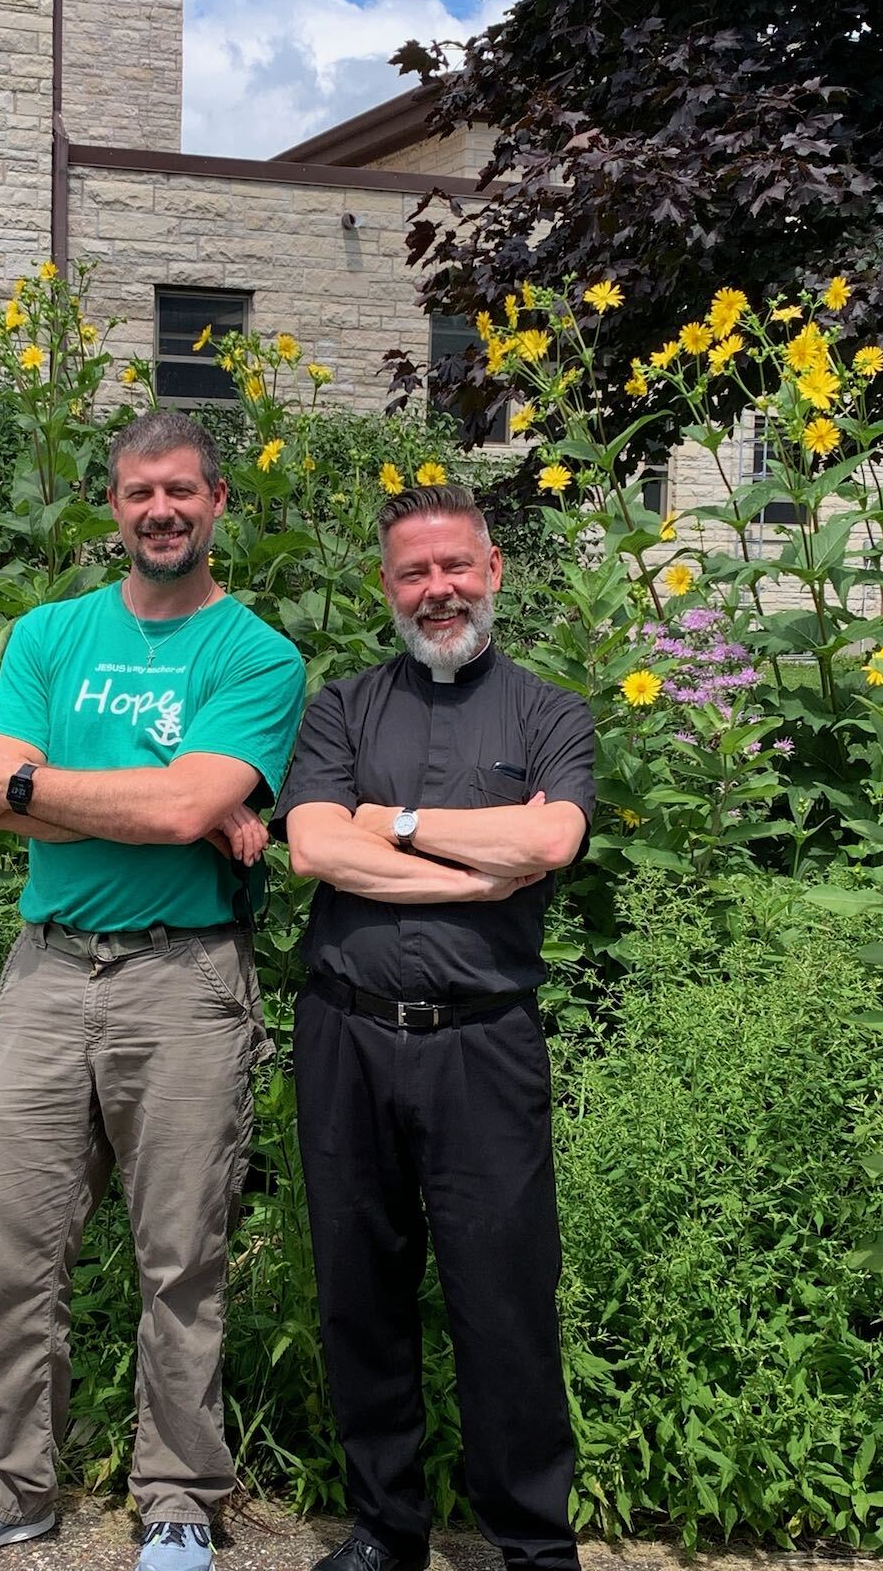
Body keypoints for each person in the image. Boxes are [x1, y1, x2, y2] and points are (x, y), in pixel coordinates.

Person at [0, 411, 305, 1571]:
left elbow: (175, 809)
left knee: (180, 1253)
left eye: (182, 490)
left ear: (219, 501)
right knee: (10, 1247)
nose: (160, 511)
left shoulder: (255, 655)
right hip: (48, 969)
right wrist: (167, 796)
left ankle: (179, 1495)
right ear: (115, 506)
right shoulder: (48, 634)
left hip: (184, 979)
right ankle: (6, 1485)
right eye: (139, 493)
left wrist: (59, 784)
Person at [273, 483, 595, 1571]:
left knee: (504, 1302)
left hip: (484, 1048)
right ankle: (386, 1528)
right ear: (388, 586)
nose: (438, 589)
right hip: (346, 1036)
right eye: (414, 572)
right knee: (358, 1293)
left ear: (493, 569)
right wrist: (473, 873)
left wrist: (398, 825)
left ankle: (533, 1545)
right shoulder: (342, 709)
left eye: (455, 566)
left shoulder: (550, 713)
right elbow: (315, 848)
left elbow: (550, 842)